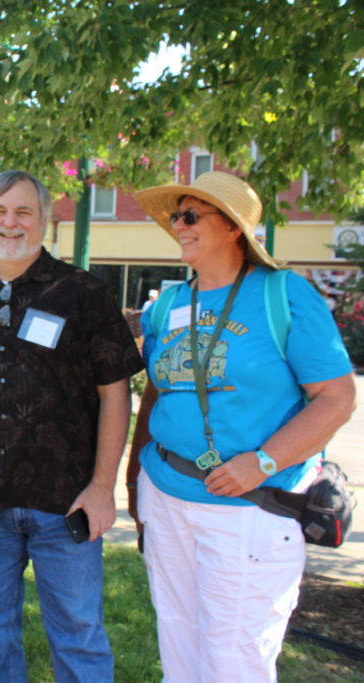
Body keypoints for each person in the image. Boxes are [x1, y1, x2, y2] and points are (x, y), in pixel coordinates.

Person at [126, 171, 356, 682]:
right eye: (175, 216)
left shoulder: (284, 295)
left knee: (235, 662)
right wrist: (135, 481)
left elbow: (337, 397)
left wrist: (264, 461)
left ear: (233, 228)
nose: (178, 226)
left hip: (250, 505)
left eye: (191, 216)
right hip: (167, 496)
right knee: (179, 646)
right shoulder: (166, 306)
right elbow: (160, 394)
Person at [0, 170, 144, 682]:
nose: (11, 223)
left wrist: (101, 487)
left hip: (66, 497)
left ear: (45, 220)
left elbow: (116, 395)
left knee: (78, 630)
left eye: (24, 212)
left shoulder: (83, 293)